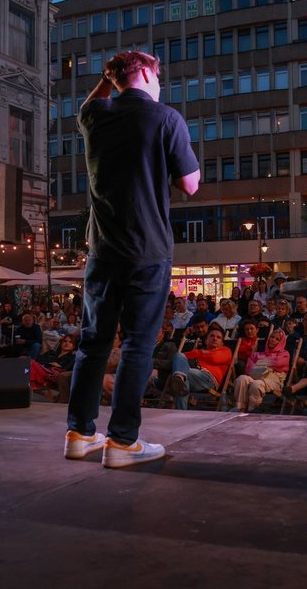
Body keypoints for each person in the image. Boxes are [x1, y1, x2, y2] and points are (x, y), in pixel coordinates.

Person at [65, 50, 200, 468]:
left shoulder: (95, 117)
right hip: (147, 250)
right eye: (158, 75)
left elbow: (89, 104)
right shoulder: (165, 118)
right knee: (139, 345)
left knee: (93, 343)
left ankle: (79, 434)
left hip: (102, 250)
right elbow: (190, 185)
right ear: (143, 73)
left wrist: (109, 79)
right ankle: (122, 442)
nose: (161, 85)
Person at [167, 326, 233, 410]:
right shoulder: (200, 351)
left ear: (222, 343)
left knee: (181, 372)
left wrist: (200, 353)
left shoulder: (226, 350)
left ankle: (176, 379)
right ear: (206, 340)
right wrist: (202, 352)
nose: (215, 338)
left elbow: (215, 358)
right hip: (192, 375)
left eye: (218, 337)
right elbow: (181, 357)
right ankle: (179, 379)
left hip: (209, 378)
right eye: (212, 336)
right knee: (180, 362)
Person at [232, 328, 291, 413]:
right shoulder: (258, 354)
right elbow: (248, 368)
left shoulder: (284, 354)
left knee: (257, 384)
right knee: (242, 378)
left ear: (281, 343)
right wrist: (268, 364)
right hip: (255, 377)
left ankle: (252, 409)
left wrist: (259, 363)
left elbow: (278, 363)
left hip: (273, 381)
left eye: (277, 339)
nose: (273, 340)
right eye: (272, 337)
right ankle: (241, 407)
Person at [30, 334, 78, 402]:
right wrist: (49, 364)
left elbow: (66, 369)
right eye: (65, 341)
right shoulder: (51, 353)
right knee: (30, 363)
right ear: (61, 343)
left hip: (55, 374)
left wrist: (57, 366)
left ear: (74, 346)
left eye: (70, 342)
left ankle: (35, 386)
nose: (67, 343)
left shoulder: (72, 357)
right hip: (44, 370)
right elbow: (38, 360)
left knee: (31, 364)